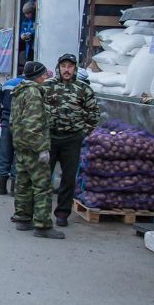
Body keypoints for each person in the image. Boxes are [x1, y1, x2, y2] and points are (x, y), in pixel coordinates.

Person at [43, 53, 100, 226]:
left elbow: (94, 115)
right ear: (58, 68)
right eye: (63, 66)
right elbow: (36, 110)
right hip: (50, 138)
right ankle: (41, 213)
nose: (66, 70)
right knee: (43, 178)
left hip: (72, 140)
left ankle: (62, 214)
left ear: (75, 68)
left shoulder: (84, 89)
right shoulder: (46, 87)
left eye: (70, 66)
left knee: (68, 179)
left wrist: (83, 133)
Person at [11, 61, 63, 239]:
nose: (45, 77)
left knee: (23, 184)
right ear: (38, 76)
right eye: (43, 74)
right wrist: (41, 149)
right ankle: (42, 225)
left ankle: (23, 218)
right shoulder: (33, 93)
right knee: (42, 187)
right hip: (32, 148)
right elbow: (32, 125)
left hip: (21, 146)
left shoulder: (20, 90)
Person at [0, 74, 24, 195]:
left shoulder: (7, 84)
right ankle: (14, 187)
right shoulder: (28, 85)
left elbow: (1, 100)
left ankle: (1, 187)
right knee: (17, 154)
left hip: (6, 120)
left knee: (4, 153)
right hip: (20, 123)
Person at [19, 0, 36, 65]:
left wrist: (31, 34)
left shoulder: (36, 20)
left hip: (34, 46)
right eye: (25, 14)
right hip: (28, 47)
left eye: (28, 13)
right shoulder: (25, 21)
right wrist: (22, 35)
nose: (27, 15)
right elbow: (22, 31)